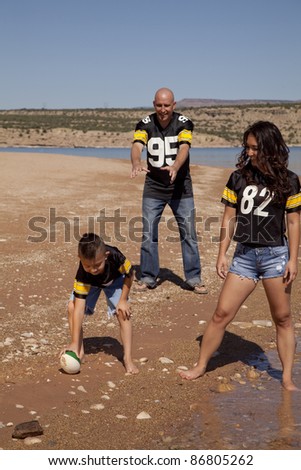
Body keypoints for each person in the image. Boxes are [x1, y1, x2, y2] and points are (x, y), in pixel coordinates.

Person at [179, 121, 301, 391]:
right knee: (222, 313)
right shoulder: (238, 177)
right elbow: (229, 219)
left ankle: (287, 377)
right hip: (244, 255)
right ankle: (200, 366)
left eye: (255, 148)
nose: (250, 152)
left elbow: (293, 222)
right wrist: (222, 255)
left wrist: (293, 259)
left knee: (282, 318)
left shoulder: (290, 180)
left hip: (275, 256)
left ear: (269, 148)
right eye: (247, 147)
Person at [130, 87, 207, 294]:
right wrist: (136, 162)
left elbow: (184, 147)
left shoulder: (184, 123)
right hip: (154, 186)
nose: (163, 109)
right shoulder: (145, 124)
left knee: (188, 232)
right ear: (154, 104)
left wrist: (175, 166)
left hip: (181, 187)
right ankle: (147, 276)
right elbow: (137, 145)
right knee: (148, 232)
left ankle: (193, 278)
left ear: (174, 105)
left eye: (167, 105)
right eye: (159, 105)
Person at [62, 232, 139, 374]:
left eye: (97, 265)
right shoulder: (83, 274)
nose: (93, 270)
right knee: (71, 307)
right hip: (91, 284)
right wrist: (73, 342)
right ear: (80, 259)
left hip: (114, 281)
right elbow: (79, 310)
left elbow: (130, 274)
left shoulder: (116, 256)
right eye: (88, 266)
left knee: (123, 312)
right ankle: (78, 350)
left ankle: (127, 358)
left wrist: (122, 300)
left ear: (106, 255)